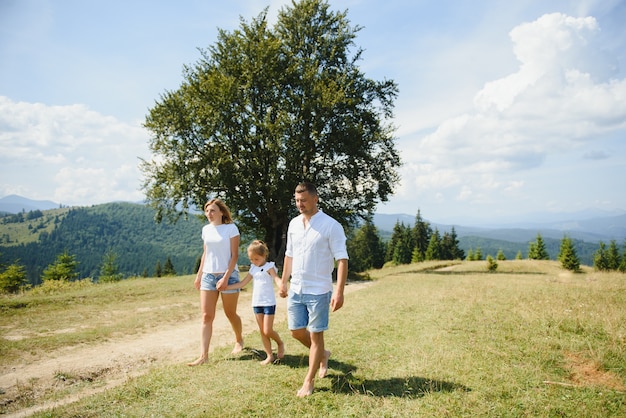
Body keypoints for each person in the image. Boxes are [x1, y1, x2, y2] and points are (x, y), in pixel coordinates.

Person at [279, 182, 349, 397]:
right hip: (297, 288)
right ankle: (322, 355)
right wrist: (283, 281)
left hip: (319, 290)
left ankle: (308, 381)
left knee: (316, 336)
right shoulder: (293, 224)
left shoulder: (331, 225)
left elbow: (342, 259)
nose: (300, 204)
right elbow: (289, 255)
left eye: (304, 200)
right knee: (296, 331)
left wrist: (339, 291)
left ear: (315, 198)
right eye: (297, 200)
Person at [188, 198, 244, 366]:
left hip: (229, 276)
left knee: (230, 313)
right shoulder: (206, 230)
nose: (209, 214)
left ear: (221, 212)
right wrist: (199, 275)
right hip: (208, 276)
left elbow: (235, 255)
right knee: (206, 316)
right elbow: (206, 254)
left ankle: (239, 340)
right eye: (207, 211)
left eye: (212, 210)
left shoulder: (231, 229)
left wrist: (226, 277)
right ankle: (203, 356)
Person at [227, 240, 285, 365]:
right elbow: (243, 283)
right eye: (251, 259)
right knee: (262, 330)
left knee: (267, 330)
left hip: (268, 302)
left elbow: (276, 279)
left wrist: (282, 286)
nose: (253, 262)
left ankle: (280, 343)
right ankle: (269, 355)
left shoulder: (269, 267)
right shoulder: (253, 268)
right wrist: (226, 287)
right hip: (257, 303)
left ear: (264, 255)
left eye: (256, 259)